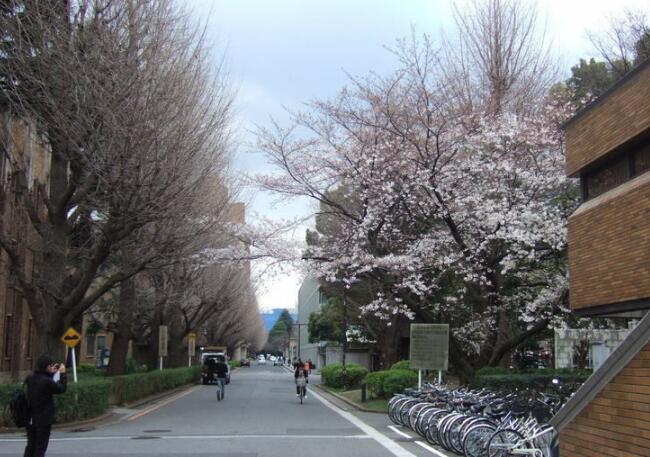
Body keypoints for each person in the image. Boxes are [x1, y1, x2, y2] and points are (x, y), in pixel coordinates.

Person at [24, 354, 67, 457]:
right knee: (40, 447)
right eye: (51, 366)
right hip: (43, 419)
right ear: (47, 367)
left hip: (30, 418)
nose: (52, 367)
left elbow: (44, 382)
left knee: (31, 445)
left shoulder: (31, 378)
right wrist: (63, 374)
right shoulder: (47, 381)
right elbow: (61, 389)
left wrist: (51, 373)